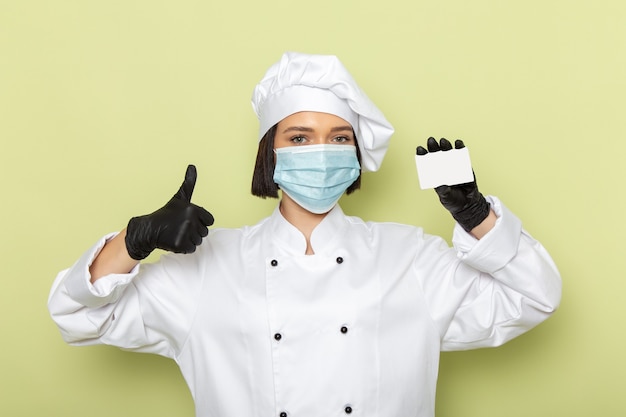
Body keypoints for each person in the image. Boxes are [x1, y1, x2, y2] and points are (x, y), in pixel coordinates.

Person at [48, 51, 561, 417]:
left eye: (339, 138)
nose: (322, 151)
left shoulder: (410, 258)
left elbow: (534, 297)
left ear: (355, 156)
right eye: (300, 137)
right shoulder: (207, 267)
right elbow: (77, 315)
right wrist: (134, 241)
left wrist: (477, 217)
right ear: (270, 153)